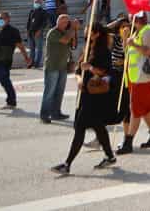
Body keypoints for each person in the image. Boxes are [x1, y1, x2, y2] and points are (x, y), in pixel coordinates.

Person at [50, 24, 117, 174]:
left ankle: (67, 164)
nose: (86, 32)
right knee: (98, 126)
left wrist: (91, 69)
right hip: (85, 93)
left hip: (95, 95)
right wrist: (79, 78)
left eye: (88, 30)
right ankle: (110, 156)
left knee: (80, 128)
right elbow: (78, 69)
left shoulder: (103, 51)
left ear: (97, 34)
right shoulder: (88, 48)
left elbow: (105, 72)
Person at [119, 11, 150, 153]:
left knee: (136, 110)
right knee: (144, 108)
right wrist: (126, 39)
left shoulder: (147, 31)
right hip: (135, 77)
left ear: (136, 19)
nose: (129, 21)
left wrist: (132, 43)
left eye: (131, 18)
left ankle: (128, 142)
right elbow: (128, 52)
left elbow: (148, 51)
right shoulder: (138, 32)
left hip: (142, 76)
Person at [39, 13, 77, 123]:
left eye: (67, 22)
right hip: (52, 66)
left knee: (59, 91)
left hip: (63, 66)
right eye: (64, 22)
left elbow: (73, 44)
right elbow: (65, 40)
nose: (66, 24)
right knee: (49, 92)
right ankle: (44, 114)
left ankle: (56, 113)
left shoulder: (66, 32)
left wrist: (73, 31)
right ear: (58, 22)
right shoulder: (53, 32)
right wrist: (72, 29)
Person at [26, 0, 51, 68]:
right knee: (32, 49)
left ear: (41, 3)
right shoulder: (32, 11)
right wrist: (27, 30)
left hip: (38, 32)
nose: (36, 3)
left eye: (38, 2)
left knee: (39, 49)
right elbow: (29, 22)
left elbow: (44, 23)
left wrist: (40, 31)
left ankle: (37, 63)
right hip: (31, 32)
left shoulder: (44, 12)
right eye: (35, 2)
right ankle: (31, 62)